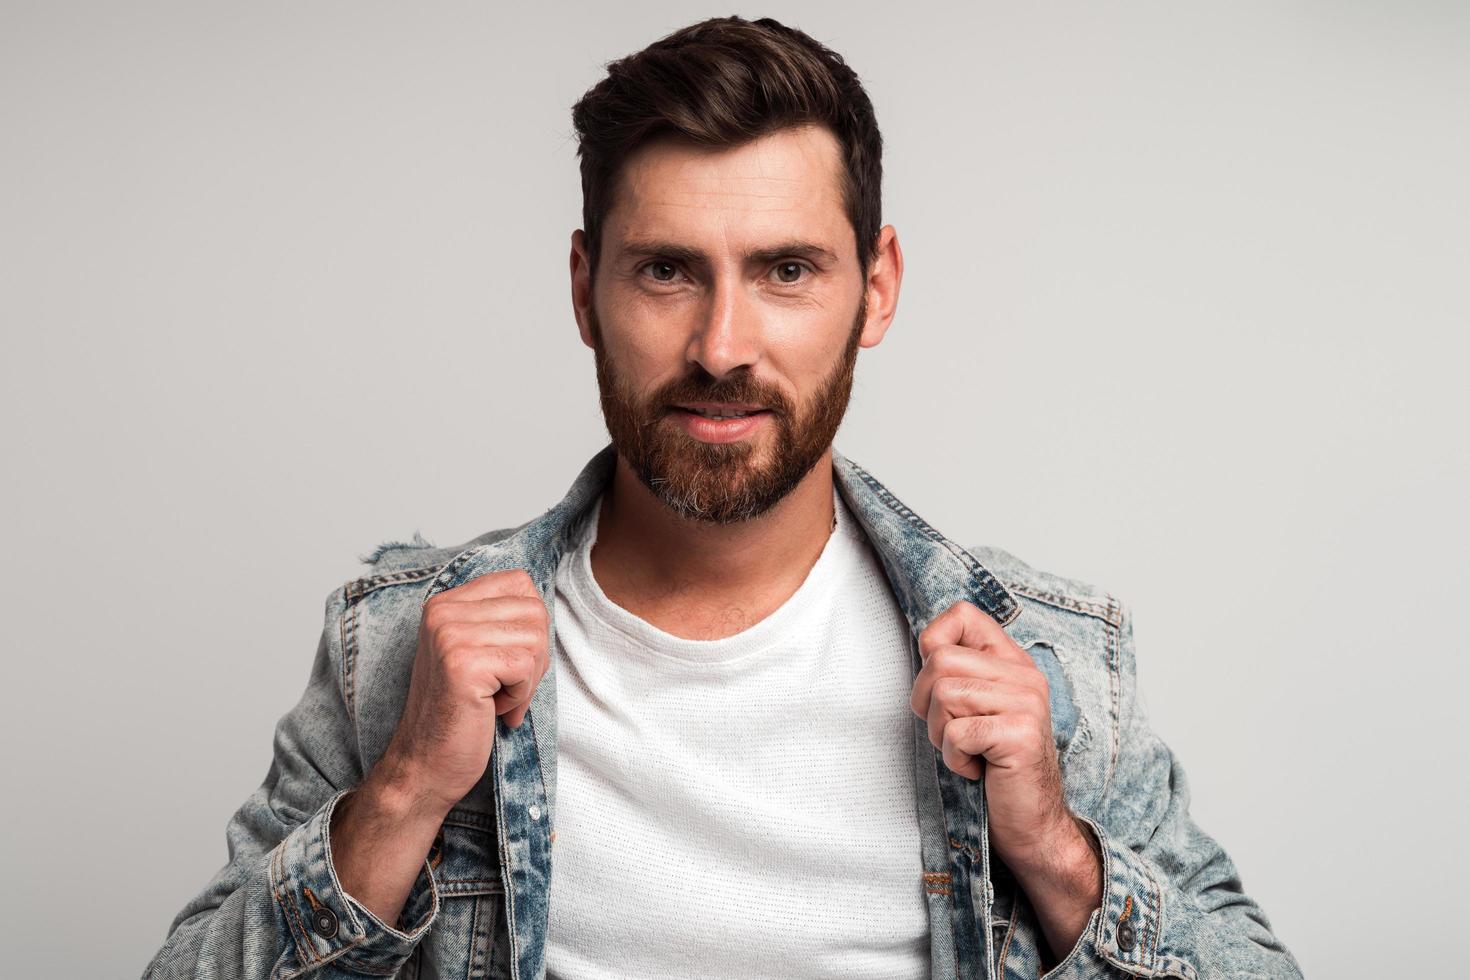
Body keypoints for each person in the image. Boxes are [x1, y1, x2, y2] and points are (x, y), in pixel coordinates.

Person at [143, 15, 1300, 980]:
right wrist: (400, 792)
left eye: (786, 270)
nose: (722, 345)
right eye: (666, 270)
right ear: (586, 289)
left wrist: (1051, 845)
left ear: (876, 286)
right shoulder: (402, 643)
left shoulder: (1043, 657)